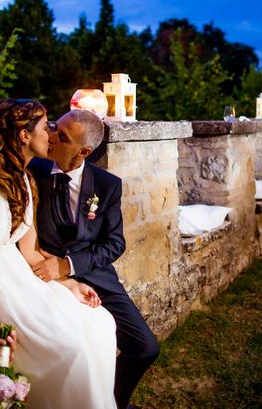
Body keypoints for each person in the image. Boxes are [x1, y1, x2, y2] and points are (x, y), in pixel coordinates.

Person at [0, 99, 117, 409]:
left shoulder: (27, 180)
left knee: (100, 323)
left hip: (22, 274)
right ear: (24, 135)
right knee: (70, 348)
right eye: (46, 127)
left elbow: (31, 252)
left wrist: (69, 284)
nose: (50, 134)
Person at [28, 109, 160, 409]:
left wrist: (70, 264)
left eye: (62, 137)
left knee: (145, 349)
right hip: (46, 279)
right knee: (74, 350)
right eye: (53, 127)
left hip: (96, 277)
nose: (50, 136)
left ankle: (112, 403)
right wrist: (59, 273)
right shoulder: (32, 170)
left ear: (83, 151)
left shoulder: (106, 185)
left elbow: (115, 243)